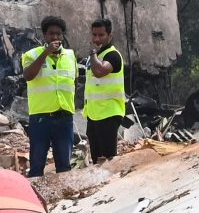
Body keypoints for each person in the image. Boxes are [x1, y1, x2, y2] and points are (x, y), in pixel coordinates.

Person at [21, 15, 76, 177]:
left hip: (64, 116)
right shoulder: (31, 55)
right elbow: (28, 75)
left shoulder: (70, 55)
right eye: (51, 33)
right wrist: (46, 53)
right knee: (37, 164)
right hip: (41, 117)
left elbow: (75, 80)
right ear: (45, 35)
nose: (55, 37)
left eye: (58, 34)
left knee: (64, 165)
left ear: (63, 35)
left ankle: (63, 192)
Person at [84, 18, 125, 164]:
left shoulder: (113, 55)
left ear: (109, 36)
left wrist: (93, 53)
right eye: (94, 35)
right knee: (96, 159)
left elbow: (99, 71)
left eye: (101, 35)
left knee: (108, 159)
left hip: (109, 113)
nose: (96, 39)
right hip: (94, 114)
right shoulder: (95, 56)